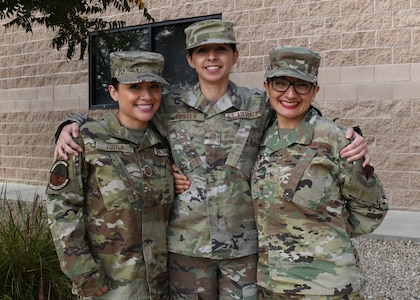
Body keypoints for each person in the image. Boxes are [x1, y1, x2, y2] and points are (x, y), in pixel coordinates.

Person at [52, 20, 370, 300]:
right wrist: (71, 124)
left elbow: (298, 112)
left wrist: (348, 135)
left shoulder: (259, 104)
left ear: (235, 55)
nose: (212, 58)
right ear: (191, 59)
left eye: (221, 49)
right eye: (203, 51)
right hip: (186, 247)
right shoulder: (168, 105)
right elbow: (124, 119)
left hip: (243, 246)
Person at [251, 46, 388, 299]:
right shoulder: (257, 137)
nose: (290, 94)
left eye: (301, 85)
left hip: (326, 286)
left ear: (315, 90)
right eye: (280, 83)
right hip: (271, 283)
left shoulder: (334, 140)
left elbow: (372, 209)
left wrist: (327, 231)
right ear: (267, 86)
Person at [46, 51, 175, 299]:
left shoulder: (164, 143)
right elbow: (61, 211)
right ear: (114, 92)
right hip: (109, 288)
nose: (146, 96)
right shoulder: (84, 140)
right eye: (134, 87)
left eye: (154, 87)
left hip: (159, 287)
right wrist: (84, 276)